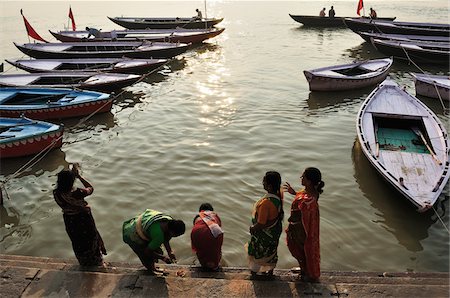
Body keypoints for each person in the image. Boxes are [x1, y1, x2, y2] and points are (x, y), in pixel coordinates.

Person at [53, 163, 107, 266]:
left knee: (78, 241)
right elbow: (90, 188)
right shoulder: (77, 193)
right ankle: (97, 263)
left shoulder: (57, 193)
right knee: (90, 239)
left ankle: (84, 262)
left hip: (70, 220)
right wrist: (79, 176)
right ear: (71, 182)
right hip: (82, 219)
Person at [284, 167, 325, 282]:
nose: (301, 178)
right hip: (309, 228)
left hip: (302, 230)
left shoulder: (307, 201)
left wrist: (294, 229)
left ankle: (306, 272)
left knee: (301, 250)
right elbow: (303, 197)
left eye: (303, 177)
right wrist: (294, 193)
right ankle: (304, 269)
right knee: (304, 251)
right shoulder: (312, 193)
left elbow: (302, 218)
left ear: (309, 181)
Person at [122, 209, 185, 274]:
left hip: (144, 224)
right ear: (171, 232)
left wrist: (170, 252)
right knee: (145, 256)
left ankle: (152, 265)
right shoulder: (158, 236)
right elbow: (147, 251)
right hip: (132, 233)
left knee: (158, 251)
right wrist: (163, 258)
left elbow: (166, 237)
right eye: (176, 235)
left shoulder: (168, 220)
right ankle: (151, 269)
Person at [247, 171, 284, 277]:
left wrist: (253, 228)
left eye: (264, 181)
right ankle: (270, 273)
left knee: (258, 253)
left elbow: (262, 223)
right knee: (271, 253)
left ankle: (254, 274)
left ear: (270, 186)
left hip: (264, 234)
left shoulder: (266, 203)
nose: (262, 183)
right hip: (274, 232)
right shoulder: (278, 197)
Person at [191, 203, 224, 271]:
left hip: (197, 231)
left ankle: (204, 266)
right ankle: (214, 266)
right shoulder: (214, 215)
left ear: (200, 211)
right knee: (216, 250)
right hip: (215, 230)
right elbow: (218, 227)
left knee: (200, 251)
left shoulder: (198, 216)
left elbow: (195, 225)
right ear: (211, 210)